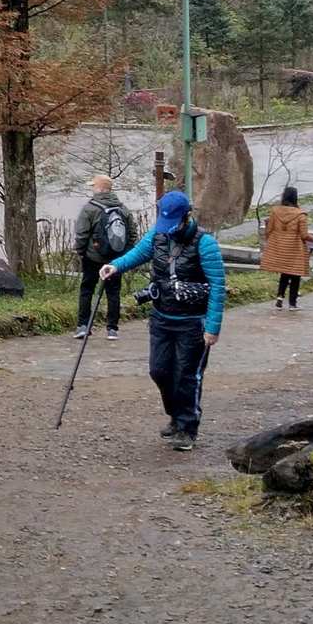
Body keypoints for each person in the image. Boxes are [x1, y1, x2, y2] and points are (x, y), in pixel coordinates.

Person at [100, 187, 224, 452]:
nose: (167, 229)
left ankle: (187, 427)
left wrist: (212, 327)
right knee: (159, 371)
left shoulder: (206, 244)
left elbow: (217, 286)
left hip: (193, 323)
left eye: (173, 223)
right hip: (161, 318)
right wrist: (115, 265)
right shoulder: (157, 235)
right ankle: (175, 415)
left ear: (187, 216)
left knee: (187, 376)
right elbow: (138, 254)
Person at [72, 172, 134, 342]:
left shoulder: (90, 208)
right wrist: (124, 255)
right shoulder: (123, 208)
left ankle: (83, 326)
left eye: (94, 186)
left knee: (87, 290)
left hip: (93, 258)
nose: (93, 189)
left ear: (99, 188)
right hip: (116, 260)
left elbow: (82, 234)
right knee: (113, 292)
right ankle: (112, 329)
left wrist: (81, 252)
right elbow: (132, 234)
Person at [260, 182, 311, 310]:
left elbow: (268, 231)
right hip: (295, 249)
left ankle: (279, 299)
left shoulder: (275, 211)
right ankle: (292, 304)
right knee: (295, 275)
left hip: (281, 249)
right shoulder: (301, 215)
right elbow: (304, 235)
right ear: (295, 197)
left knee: (285, 273)